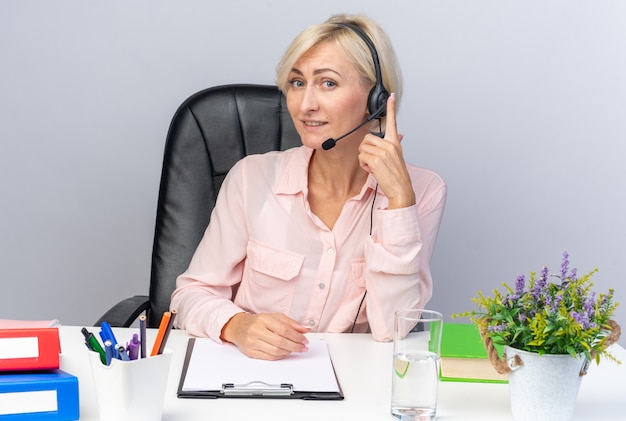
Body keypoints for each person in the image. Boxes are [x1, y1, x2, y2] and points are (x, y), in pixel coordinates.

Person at [170, 13, 447, 360]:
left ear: (376, 98)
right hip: (252, 381)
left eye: (328, 83)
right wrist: (237, 325)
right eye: (297, 83)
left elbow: (392, 329)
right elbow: (189, 295)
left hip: (354, 391)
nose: (305, 105)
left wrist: (400, 202)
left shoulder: (424, 191)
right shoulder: (249, 179)